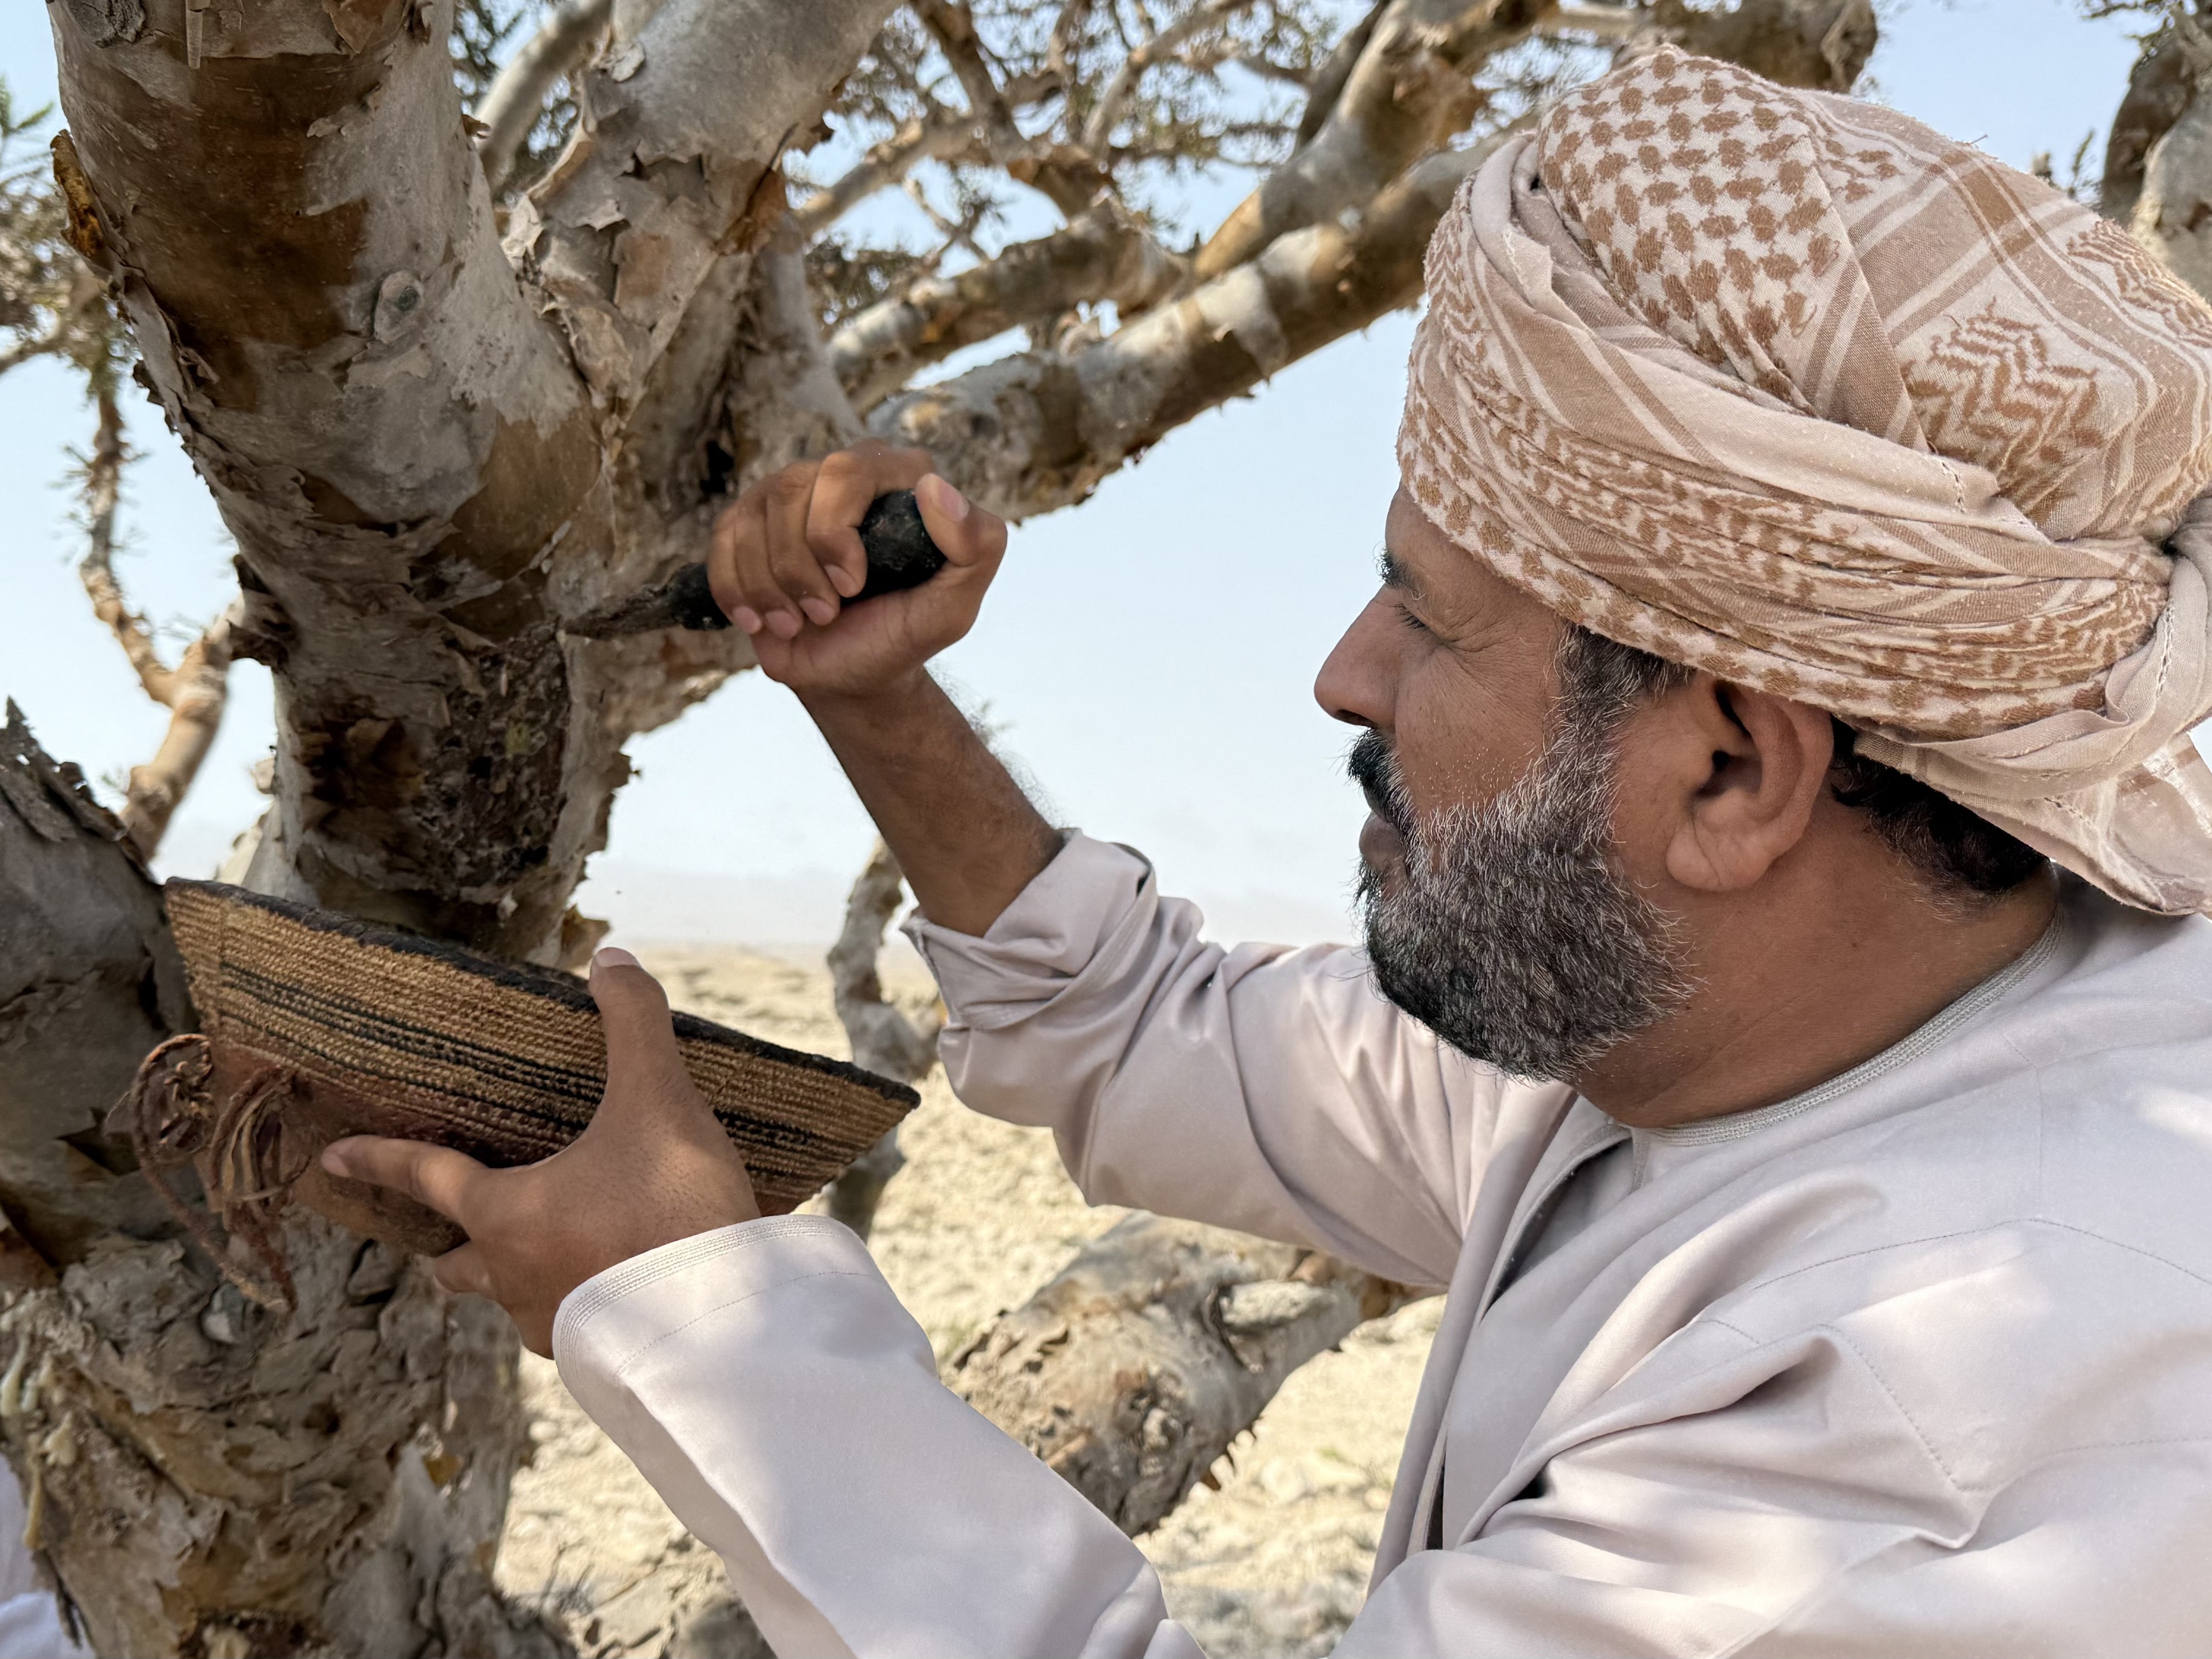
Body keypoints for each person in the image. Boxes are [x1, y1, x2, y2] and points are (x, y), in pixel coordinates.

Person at [327, 48, 2212, 1656]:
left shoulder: (1959, 1414)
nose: (1342, 676)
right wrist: (878, 702)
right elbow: (1155, 1034)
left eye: (1427, 620)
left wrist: (692, 1316)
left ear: (1730, 770)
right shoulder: (1747, 1023)